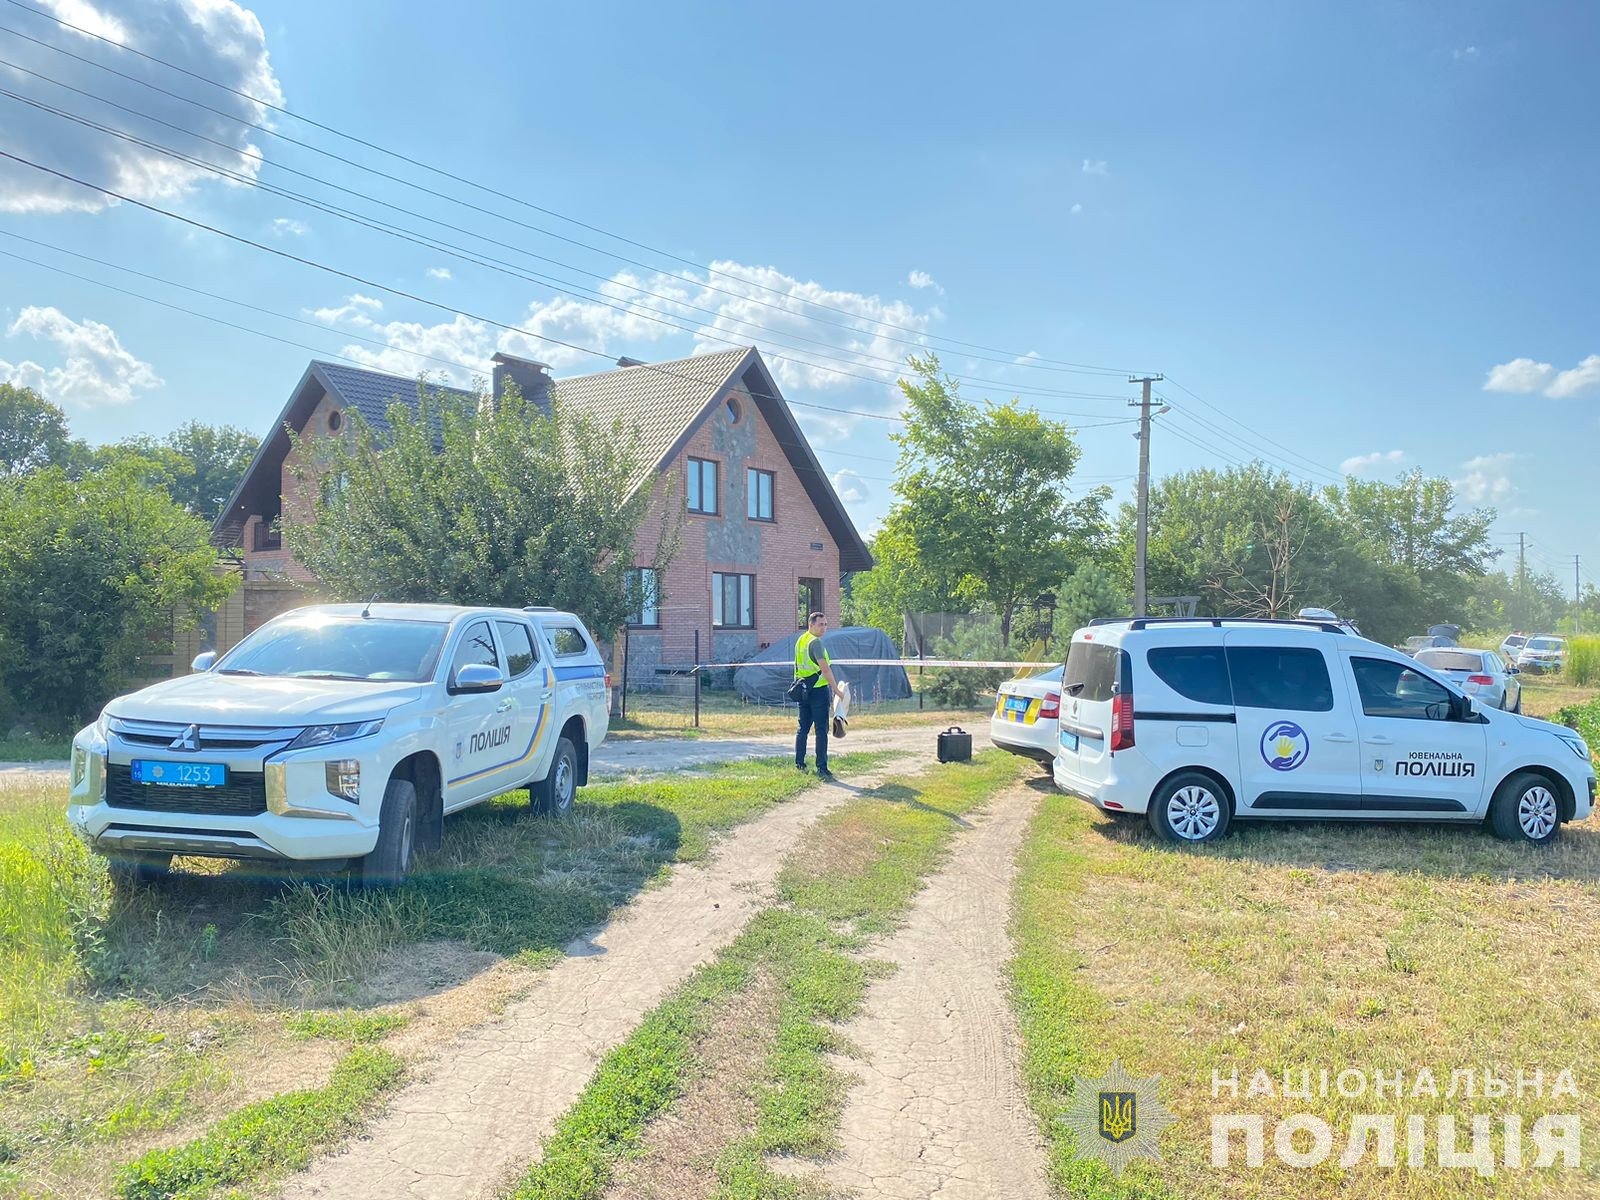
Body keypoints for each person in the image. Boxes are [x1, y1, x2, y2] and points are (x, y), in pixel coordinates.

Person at [794, 610, 844, 781]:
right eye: (820, 624)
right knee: (821, 730)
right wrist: (836, 689)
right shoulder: (815, 643)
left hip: (803, 689)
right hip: (818, 691)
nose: (824, 628)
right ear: (811, 625)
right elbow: (825, 669)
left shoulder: (801, 640)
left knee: (803, 728)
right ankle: (822, 767)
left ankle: (799, 763)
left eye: (826, 624)